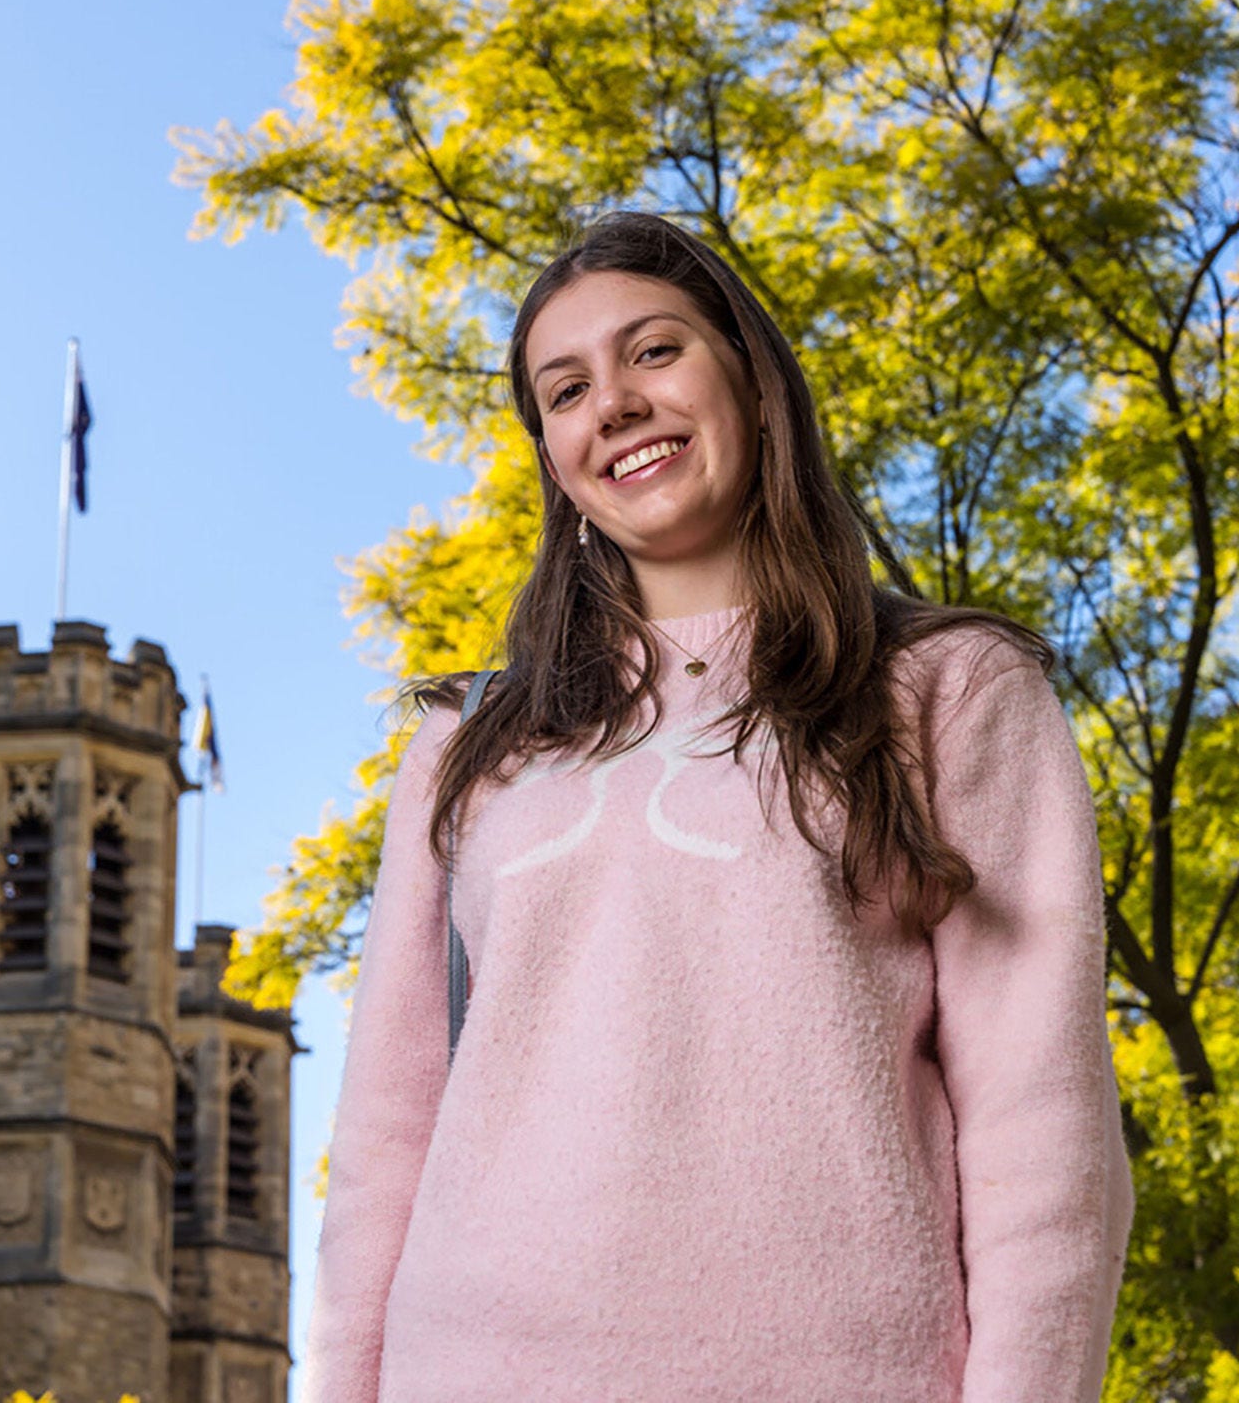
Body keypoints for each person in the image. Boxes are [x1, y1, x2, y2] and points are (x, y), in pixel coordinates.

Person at [297, 211, 1135, 1402]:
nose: (616, 404)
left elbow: (1041, 1127)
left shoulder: (950, 690)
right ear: (553, 456)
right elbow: (384, 1144)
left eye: (654, 352)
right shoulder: (467, 746)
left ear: (750, 378)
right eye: (567, 388)